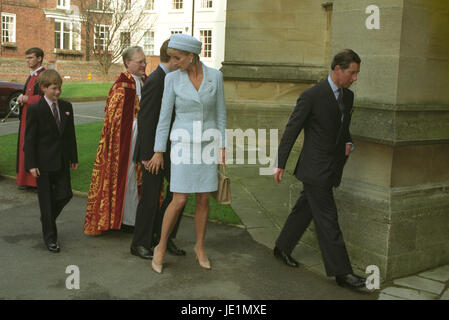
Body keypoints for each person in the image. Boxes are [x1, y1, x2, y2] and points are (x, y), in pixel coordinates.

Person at [273, 49, 366, 291]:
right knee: (328, 219)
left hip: (332, 166)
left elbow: (343, 128)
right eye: (352, 73)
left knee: (305, 209)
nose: (354, 78)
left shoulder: (348, 97)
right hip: (314, 168)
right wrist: (280, 162)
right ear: (337, 69)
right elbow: (292, 129)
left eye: (357, 73)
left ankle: (282, 247)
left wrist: (348, 142)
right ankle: (342, 273)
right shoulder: (311, 96)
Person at [149, 34, 226, 273]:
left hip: (207, 146)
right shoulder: (172, 79)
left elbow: (221, 113)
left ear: (192, 56)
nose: (174, 62)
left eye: (178, 57)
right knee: (179, 199)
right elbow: (164, 117)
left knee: (203, 198)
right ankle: (160, 246)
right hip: (182, 145)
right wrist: (158, 151)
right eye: (172, 57)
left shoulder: (216, 76)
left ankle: (199, 247)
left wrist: (222, 146)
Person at [131, 40, 185, 260]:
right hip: (153, 154)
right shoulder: (156, 80)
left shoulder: (172, 79)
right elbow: (145, 120)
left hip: (171, 150)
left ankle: (163, 236)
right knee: (151, 198)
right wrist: (147, 155)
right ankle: (140, 243)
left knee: (177, 194)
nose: (183, 61)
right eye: (181, 57)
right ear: (172, 57)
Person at [84, 46, 146, 235]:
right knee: (127, 178)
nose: (144, 64)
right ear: (128, 63)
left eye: (144, 61)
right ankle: (126, 220)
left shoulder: (145, 81)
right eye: (140, 62)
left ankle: (136, 218)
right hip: (125, 143)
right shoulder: (121, 87)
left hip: (140, 139)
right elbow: (113, 121)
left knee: (137, 177)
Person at [23, 69, 78, 253]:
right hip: (43, 164)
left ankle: (47, 218)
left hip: (62, 160)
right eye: (54, 88)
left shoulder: (66, 107)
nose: (58, 92)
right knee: (46, 201)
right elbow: (29, 139)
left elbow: (70, 135)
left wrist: (74, 157)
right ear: (44, 88)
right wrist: (31, 164)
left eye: (60, 88)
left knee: (66, 194)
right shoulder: (35, 109)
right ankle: (50, 238)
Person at [16, 47, 46, 190]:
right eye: (26, 58)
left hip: (37, 119)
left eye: (30, 58)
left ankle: (35, 182)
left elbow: (47, 97)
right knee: (25, 146)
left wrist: (28, 98)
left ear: (39, 58)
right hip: (26, 117)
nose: (27, 61)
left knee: (34, 146)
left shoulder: (45, 75)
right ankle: (24, 180)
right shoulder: (31, 75)